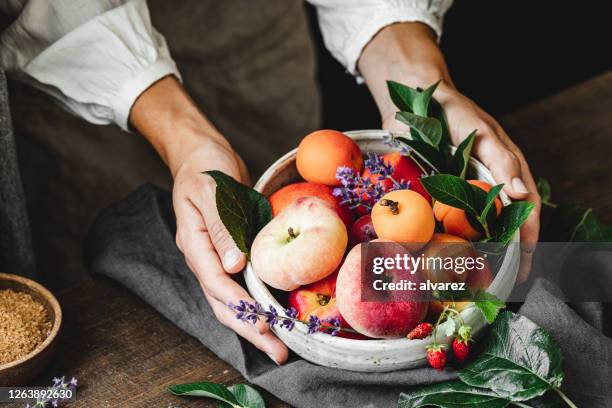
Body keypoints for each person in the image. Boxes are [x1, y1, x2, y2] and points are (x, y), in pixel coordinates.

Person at [1, 0, 540, 364]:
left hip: (249, 23)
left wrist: (416, 76)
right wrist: (186, 141)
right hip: (73, 61)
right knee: (118, 292)